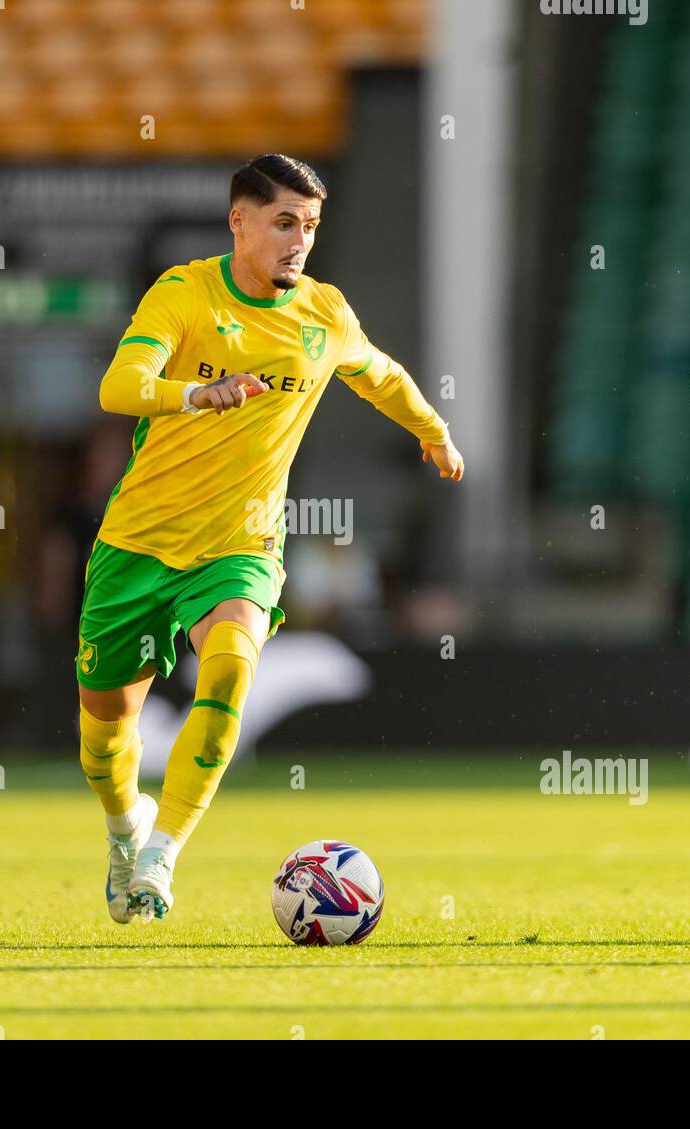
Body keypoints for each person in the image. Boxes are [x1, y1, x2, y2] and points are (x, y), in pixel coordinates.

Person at [77, 153, 465, 924]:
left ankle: (162, 856)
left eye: (311, 226)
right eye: (285, 222)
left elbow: (379, 373)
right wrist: (196, 392)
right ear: (240, 221)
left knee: (227, 675)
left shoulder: (323, 312)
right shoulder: (184, 293)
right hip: (139, 543)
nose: (299, 241)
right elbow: (118, 386)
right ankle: (127, 830)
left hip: (241, 543)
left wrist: (433, 428)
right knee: (104, 736)